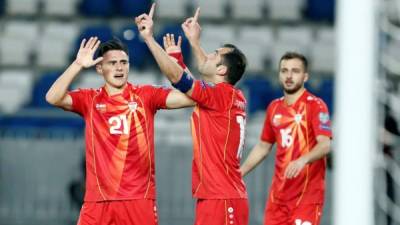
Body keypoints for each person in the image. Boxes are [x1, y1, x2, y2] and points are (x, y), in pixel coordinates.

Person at [45, 37, 194, 225]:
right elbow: (52, 98)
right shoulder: (89, 99)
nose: (119, 68)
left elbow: (192, 97)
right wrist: (77, 64)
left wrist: (177, 62)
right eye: (112, 63)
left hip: (138, 199)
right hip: (98, 201)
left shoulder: (145, 95)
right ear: (100, 68)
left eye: (124, 62)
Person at [135, 5, 249, 225]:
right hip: (218, 196)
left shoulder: (220, 95)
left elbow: (181, 81)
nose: (208, 54)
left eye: (214, 54)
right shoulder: (228, 96)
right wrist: (190, 45)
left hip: (222, 199)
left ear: (222, 70)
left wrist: (149, 39)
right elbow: (194, 82)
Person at [240, 52, 332, 225]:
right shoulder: (274, 108)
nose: (289, 76)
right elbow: (263, 146)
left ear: (305, 76)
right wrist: (241, 172)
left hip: (307, 198)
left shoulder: (316, 106)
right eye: (284, 71)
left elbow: (325, 145)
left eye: (295, 71)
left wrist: (302, 161)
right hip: (278, 199)